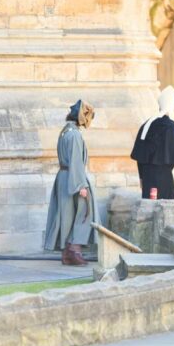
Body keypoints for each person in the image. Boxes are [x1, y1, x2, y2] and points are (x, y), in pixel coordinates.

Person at [44, 100, 99, 266]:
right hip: (73, 178)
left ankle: (68, 254)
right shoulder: (74, 135)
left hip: (64, 177)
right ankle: (74, 251)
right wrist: (81, 186)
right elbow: (75, 160)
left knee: (67, 215)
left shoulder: (65, 132)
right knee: (84, 213)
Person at [131, 85, 174, 199]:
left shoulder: (146, 127)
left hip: (147, 179)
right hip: (164, 180)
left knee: (148, 212)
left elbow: (140, 157)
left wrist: (141, 177)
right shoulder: (170, 129)